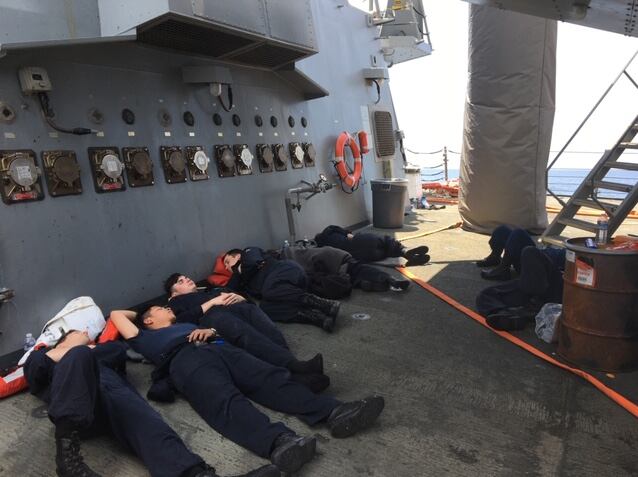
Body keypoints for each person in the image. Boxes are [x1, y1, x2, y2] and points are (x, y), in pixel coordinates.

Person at [109, 307, 385, 475]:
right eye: (159, 308)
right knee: (224, 402)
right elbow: (117, 315)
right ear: (148, 320)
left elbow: (215, 332)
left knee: (271, 379)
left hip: (218, 347)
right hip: (184, 360)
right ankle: (280, 442)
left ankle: (334, 412)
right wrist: (141, 313)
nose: (167, 308)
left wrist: (211, 332)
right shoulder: (143, 337)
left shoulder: (187, 323)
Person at [23, 330, 278, 477]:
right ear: (63, 339)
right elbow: (34, 375)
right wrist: (73, 348)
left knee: (149, 423)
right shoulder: (43, 356)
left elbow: (117, 352)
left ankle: (196, 474)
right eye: (80, 332)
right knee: (78, 356)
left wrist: (90, 348)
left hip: (115, 402)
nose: (87, 334)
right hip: (74, 411)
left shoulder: (102, 350)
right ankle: (68, 460)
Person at [164, 273, 329, 391]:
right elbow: (182, 319)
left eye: (186, 277)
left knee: (260, 321)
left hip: (238, 309)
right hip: (214, 319)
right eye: (180, 281)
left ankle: (294, 370)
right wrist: (213, 302)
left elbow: (244, 298)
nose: (187, 279)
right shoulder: (176, 303)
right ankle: (294, 368)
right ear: (174, 293)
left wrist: (242, 299)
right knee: (239, 330)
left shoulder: (210, 290)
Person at [223, 247, 341, 332]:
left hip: (286, 271)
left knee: (269, 291)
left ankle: (323, 304)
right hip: (281, 290)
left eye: (227, 262)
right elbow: (228, 289)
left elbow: (254, 262)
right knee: (265, 308)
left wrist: (238, 270)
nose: (226, 267)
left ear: (237, 256)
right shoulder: (241, 277)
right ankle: (315, 317)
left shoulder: (248, 252)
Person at [477, 244, 566, 331]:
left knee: (529, 251)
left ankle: (533, 308)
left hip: (558, 286)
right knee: (487, 294)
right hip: (535, 283)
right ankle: (506, 315)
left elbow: (560, 256)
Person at [281, 244, 410, 294]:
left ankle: (383, 280)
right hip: (336, 254)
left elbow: (316, 270)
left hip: (332, 260)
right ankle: (378, 281)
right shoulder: (295, 250)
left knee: (348, 275)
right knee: (357, 270)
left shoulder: (291, 263)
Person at [314, 225, 430, 266]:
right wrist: (347, 234)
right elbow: (346, 233)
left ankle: (410, 257)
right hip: (360, 241)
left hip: (366, 256)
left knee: (385, 252)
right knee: (387, 241)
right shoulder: (328, 231)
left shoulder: (323, 249)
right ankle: (404, 251)